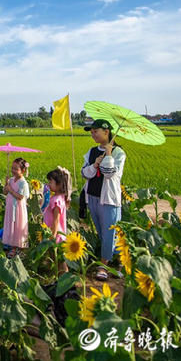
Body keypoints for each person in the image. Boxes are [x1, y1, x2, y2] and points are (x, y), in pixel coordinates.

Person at [80, 119, 126, 281]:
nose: (93, 135)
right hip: (92, 196)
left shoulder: (118, 153)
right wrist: (94, 165)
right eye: (91, 132)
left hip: (109, 200)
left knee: (109, 233)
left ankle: (103, 266)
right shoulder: (91, 152)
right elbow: (84, 173)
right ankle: (120, 258)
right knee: (102, 232)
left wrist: (108, 155)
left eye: (95, 131)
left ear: (106, 132)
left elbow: (110, 173)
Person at [44, 166, 71, 274]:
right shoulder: (58, 198)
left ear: (59, 184)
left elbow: (56, 220)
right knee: (55, 259)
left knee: (59, 260)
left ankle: (65, 279)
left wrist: (53, 235)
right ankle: (59, 279)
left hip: (56, 235)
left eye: (51, 182)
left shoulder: (57, 201)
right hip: (54, 233)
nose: (48, 184)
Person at [2, 157, 30, 257]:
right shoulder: (11, 180)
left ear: (23, 170)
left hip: (18, 209)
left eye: (16, 169)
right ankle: (13, 246)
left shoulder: (23, 183)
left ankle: (20, 248)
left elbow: (20, 197)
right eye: (12, 168)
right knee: (11, 226)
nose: (13, 171)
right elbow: (5, 192)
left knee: (18, 226)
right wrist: (6, 184)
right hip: (10, 207)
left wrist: (10, 190)